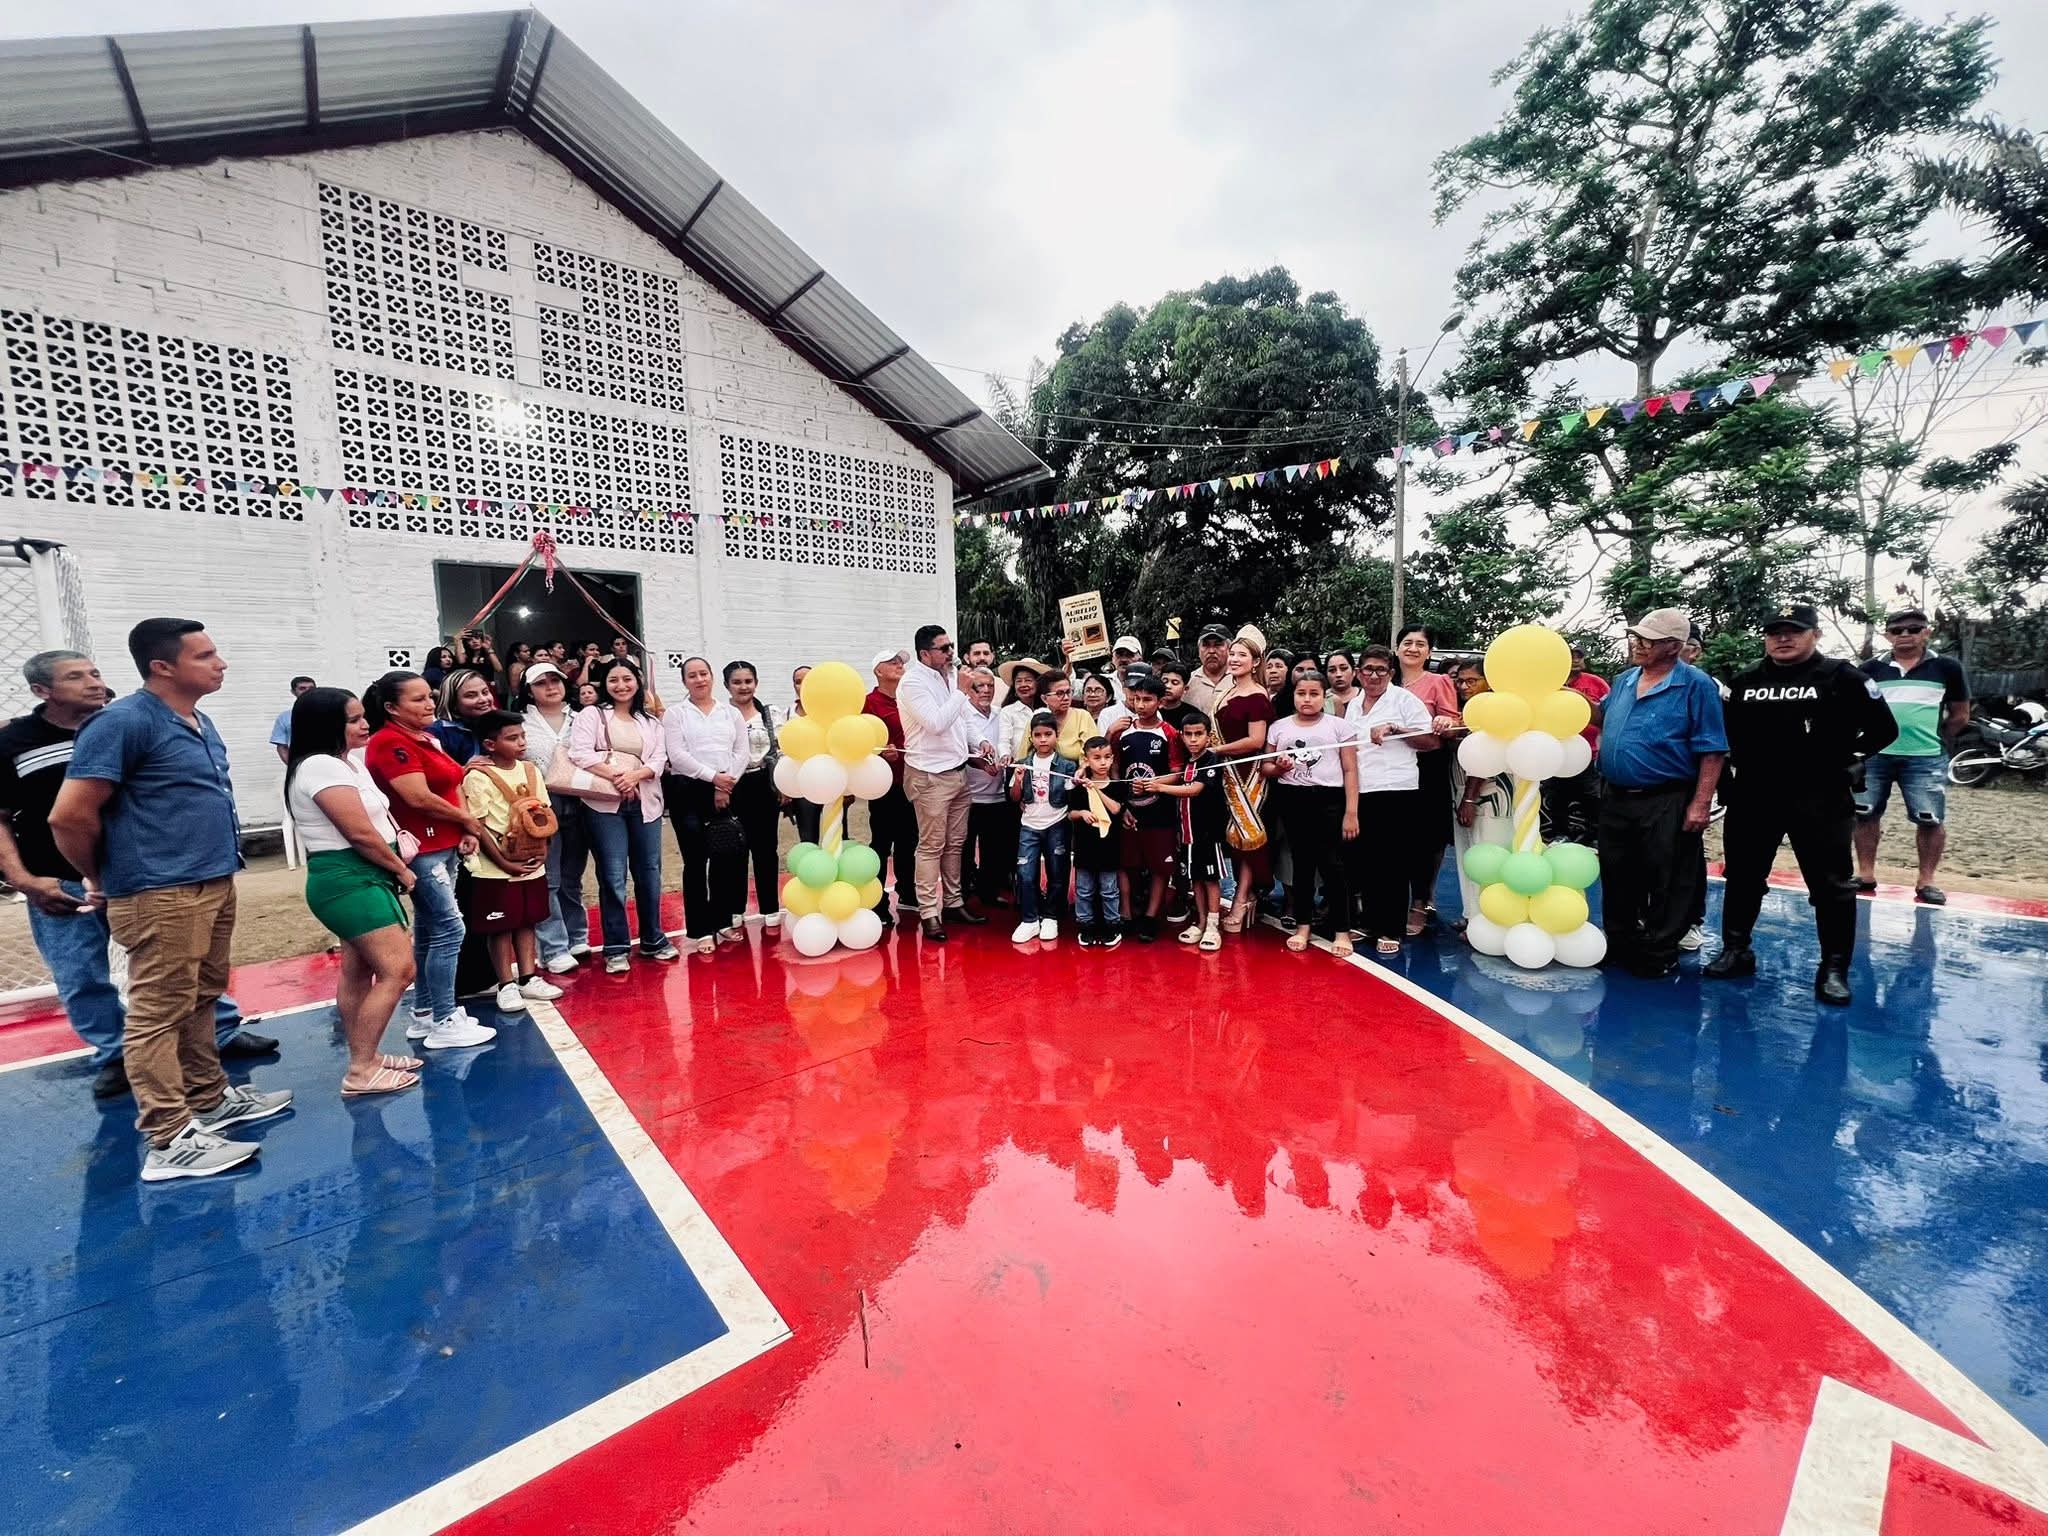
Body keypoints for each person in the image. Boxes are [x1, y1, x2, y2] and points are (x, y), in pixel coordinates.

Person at [50, 619, 293, 1181]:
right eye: (205, 655)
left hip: (212, 880)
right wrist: (99, 876)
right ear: (162, 667)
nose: (220, 663)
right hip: (158, 890)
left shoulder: (199, 721)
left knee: (202, 994)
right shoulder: (124, 722)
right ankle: (168, 1138)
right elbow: (69, 816)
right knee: (158, 1013)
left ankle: (209, 1098)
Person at [2, 650, 276, 1102]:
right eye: (76, 677)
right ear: (41, 690)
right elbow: (30, 817)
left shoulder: (127, 724)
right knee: (81, 974)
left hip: (144, 873)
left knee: (187, 965)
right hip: (63, 878)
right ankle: (117, 1057)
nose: (93, 682)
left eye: (94, 673)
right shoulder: (14, 742)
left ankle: (219, 1036)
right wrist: (24, 879)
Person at [1706, 605, 1899, 1004]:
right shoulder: (1744, 681)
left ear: (1815, 634)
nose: (1783, 638)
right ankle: (1736, 950)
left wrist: (1849, 758)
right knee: (1742, 876)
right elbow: (1723, 735)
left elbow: (1884, 729)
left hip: (1820, 795)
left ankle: (1833, 968)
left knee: (1831, 885)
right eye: (1774, 631)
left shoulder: (1842, 676)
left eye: (1794, 630)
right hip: (1755, 794)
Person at [282, 686, 421, 1096]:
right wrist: (399, 868)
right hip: (349, 880)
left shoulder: (346, 763)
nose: (364, 724)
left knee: (359, 970)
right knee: (399, 969)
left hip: (359, 877)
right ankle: (361, 1069)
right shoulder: (320, 766)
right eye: (354, 719)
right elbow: (358, 832)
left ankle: (367, 1057)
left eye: (363, 716)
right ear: (327, 725)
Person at [361, 670, 497, 1049]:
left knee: (430, 928)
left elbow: (453, 782)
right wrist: (468, 821)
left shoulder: (425, 737)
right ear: (392, 707)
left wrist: (464, 826)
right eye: (418, 699)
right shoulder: (390, 742)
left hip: (444, 843)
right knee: (450, 929)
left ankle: (425, 1011)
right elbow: (417, 796)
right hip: (423, 848)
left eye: (430, 696)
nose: (429, 704)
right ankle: (444, 1017)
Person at [1595, 608, 1727, 979]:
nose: (1638, 644)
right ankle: (1620, 941)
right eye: (1636, 637)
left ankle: (1659, 949)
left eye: (1648, 640)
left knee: (1669, 876)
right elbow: (1602, 717)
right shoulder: (1624, 679)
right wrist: (1564, 700)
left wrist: (1700, 803)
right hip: (1616, 794)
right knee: (1617, 871)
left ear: (1673, 646)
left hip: (1667, 796)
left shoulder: (1696, 685)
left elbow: (1713, 748)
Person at [1854, 606, 1970, 904]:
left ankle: (1926, 880)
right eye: (1897, 630)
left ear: (1926, 632)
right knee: (1865, 814)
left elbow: (1960, 714)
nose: (1905, 634)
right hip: (1875, 755)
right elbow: (1855, 709)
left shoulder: (1947, 667)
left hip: (1926, 757)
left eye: (1913, 629)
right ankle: (1865, 874)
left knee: (1930, 818)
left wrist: (1937, 739)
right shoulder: (1869, 668)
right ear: (1887, 635)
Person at [575, 657, 678, 969]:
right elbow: (580, 753)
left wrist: (636, 776)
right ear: (604, 684)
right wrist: (619, 777)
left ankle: (653, 939)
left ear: (637, 682)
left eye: (627, 679)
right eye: (613, 680)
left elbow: (659, 758)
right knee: (612, 875)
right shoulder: (592, 715)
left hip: (645, 804)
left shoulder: (651, 722)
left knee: (649, 872)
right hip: (604, 806)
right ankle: (616, 947)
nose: (621, 685)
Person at [461, 710, 565, 1013]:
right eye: (512, 738)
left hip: (531, 860)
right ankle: (505, 983)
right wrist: (503, 863)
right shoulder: (478, 777)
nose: (521, 742)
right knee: (500, 925)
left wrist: (544, 850)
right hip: (495, 868)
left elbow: (543, 813)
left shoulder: (530, 770)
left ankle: (528, 977)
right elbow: (478, 825)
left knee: (527, 918)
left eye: (522, 736)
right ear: (490, 744)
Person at [899, 623, 994, 941]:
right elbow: (936, 723)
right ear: (925, 654)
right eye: (944, 648)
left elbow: (964, 718)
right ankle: (929, 912)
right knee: (931, 846)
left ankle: (953, 903)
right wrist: (962, 691)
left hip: (957, 772)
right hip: (929, 775)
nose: (951, 652)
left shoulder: (951, 677)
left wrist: (980, 741)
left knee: (956, 843)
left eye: (951, 645)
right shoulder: (912, 682)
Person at [1263, 671, 1360, 956]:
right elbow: (1265, 767)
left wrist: (1351, 811)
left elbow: (1350, 769)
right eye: (1301, 693)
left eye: (1314, 693)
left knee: (1333, 865)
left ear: (1324, 696)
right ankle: (1303, 925)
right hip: (1293, 800)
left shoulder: (1340, 727)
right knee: (1301, 865)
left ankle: (1342, 930)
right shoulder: (1279, 727)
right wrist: (1279, 768)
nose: (1307, 699)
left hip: (1329, 800)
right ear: (1293, 695)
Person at [1352, 644, 1438, 953]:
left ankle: (1391, 929)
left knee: (1394, 862)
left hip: (1396, 790)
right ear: (1359, 673)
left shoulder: (1404, 700)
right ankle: (1369, 922)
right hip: (1362, 790)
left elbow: (1431, 742)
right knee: (1367, 860)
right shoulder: (1354, 704)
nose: (1374, 676)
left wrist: (1396, 729)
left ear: (1391, 673)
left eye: (1381, 670)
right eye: (1368, 669)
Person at [658, 657, 745, 953]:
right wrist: (713, 778)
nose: (699, 680)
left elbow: (741, 751)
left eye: (703, 674)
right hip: (687, 791)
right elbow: (677, 755)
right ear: (684, 681)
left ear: (711, 677)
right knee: (695, 862)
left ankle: (722, 920)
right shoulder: (676, 714)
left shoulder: (730, 713)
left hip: (725, 790)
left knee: (724, 857)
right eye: (692, 675)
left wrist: (724, 784)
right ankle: (700, 929)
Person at [518, 660, 592, 974]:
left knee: (572, 876)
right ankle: (553, 947)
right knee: (548, 878)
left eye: (555, 680)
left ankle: (577, 936)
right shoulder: (521, 721)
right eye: (541, 683)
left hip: (582, 801)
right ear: (529, 690)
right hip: (541, 805)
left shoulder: (582, 718)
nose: (551, 687)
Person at [1394, 624, 1463, 936]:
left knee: (1425, 838)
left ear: (1429, 652)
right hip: (1389, 767)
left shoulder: (1439, 681)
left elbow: (1453, 724)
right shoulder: (1386, 681)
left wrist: (1444, 720)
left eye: (1420, 644)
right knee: (1395, 837)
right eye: (1407, 643)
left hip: (1427, 766)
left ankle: (1420, 903)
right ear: (1397, 648)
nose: (1412, 649)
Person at [1112, 669, 1185, 942]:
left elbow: (1177, 772)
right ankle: (1126, 913)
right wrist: (1122, 804)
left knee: (1159, 866)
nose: (1141, 705)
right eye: (1137, 699)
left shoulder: (1170, 733)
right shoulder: (1122, 731)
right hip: (1129, 810)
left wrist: (1155, 783)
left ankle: (1152, 917)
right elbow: (1114, 769)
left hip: (1160, 812)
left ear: (1160, 702)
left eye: (1147, 700)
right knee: (1126, 863)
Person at [1214, 634, 1276, 932]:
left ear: (1255, 662)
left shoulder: (1257, 695)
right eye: (1233, 654)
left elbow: (1255, 740)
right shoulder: (1228, 689)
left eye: (1242, 655)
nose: (1235, 659)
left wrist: (1217, 751)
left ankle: (1243, 896)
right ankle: (1247, 892)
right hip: (1226, 773)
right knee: (1235, 839)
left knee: (1247, 835)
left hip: (1247, 773)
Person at [1450, 659, 1513, 930]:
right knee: (1468, 856)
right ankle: (1472, 915)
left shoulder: (1496, 713)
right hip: (1463, 792)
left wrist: (1470, 799)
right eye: (1460, 681)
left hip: (1490, 796)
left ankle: (1491, 920)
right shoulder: (1466, 712)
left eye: (1472, 681)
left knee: (1489, 857)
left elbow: (1484, 758)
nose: (1464, 686)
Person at [724, 660, 783, 929]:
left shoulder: (769, 715)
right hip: (731, 786)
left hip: (763, 785)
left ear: (756, 683)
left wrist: (783, 785)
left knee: (766, 848)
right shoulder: (721, 716)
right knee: (734, 848)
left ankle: (770, 906)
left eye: (748, 681)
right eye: (737, 682)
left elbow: (781, 750)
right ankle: (735, 908)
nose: (743, 687)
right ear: (727, 685)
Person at [1007, 709, 1075, 943]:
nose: (1043, 739)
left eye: (1048, 734)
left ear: (1057, 735)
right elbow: (1015, 797)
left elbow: (1071, 797)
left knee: (1057, 872)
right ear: (1031, 738)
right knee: (1026, 873)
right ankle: (1029, 919)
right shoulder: (1023, 764)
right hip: (1029, 825)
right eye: (1038, 735)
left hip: (1057, 823)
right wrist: (1018, 780)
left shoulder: (1066, 766)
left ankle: (1051, 917)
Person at [863, 649, 919, 925]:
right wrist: (879, 753)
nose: (899, 665)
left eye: (901, 662)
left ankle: (907, 892)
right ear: (878, 671)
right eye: (892, 662)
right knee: (882, 844)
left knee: (909, 841)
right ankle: (877, 902)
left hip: (913, 780)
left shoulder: (909, 699)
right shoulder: (868, 703)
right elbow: (859, 743)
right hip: (884, 785)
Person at [1169, 713, 1228, 950]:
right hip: (1188, 833)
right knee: (1196, 879)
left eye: (1198, 734)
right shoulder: (1187, 762)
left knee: (1211, 879)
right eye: (1188, 734)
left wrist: (1159, 787)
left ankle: (1213, 925)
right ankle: (1201, 921)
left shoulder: (1211, 760)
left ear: (1208, 736)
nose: (1193, 739)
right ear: (1181, 736)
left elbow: (1194, 790)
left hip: (1208, 834)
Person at [961, 666, 1012, 912]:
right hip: (969, 797)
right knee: (964, 850)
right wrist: (979, 764)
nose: (985, 690)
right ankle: (962, 895)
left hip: (998, 795)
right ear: (968, 690)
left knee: (993, 851)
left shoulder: (1002, 714)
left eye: (990, 686)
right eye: (979, 686)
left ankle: (989, 893)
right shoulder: (961, 714)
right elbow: (959, 751)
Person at [1544, 645, 1608, 844]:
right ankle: (1560, 834)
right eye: (1571, 656)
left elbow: (1608, 713)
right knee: (1557, 796)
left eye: (1579, 656)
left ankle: (1595, 837)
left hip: (1590, 752)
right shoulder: (1547, 684)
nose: (1576, 659)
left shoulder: (1596, 682)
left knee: (1593, 796)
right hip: (1556, 752)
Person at [1069, 737, 1125, 949]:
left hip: (1109, 848)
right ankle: (1086, 924)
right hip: (1085, 848)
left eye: (1107, 757)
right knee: (1084, 890)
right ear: (1087, 760)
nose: (1103, 762)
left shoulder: (1117, 786)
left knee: (1109, 890)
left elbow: (1116, 809)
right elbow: (1070, 813)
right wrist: (1082, 813)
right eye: (1097, 758)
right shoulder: (1079, 788)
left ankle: (1112, 924)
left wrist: (1096, 790)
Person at [783, 665, 822, 845]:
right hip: (801, 784)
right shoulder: (786, 715)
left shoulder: (828, 711)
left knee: (837, 834)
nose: (803, 685)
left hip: (829, 778)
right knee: (808, 835)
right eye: (798, 682)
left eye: (807, 680)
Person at [431, 667, 497, 762]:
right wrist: (465, 768)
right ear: (453, 703)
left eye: (485, 692)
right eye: (471, 695)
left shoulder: (500, 725)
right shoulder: (438, 733)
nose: (483, 699)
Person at [996, 657, 1051, 759]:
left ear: (1038, 683)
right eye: (1019, 681)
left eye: (1028, 680)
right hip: (1018, 764)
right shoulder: (1007, 711)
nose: (1023, 685)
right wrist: (1005, 755)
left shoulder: (1048, 709)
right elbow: (1004, 741)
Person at [1182, 624, 1235, 727]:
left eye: (1218, 645)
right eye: (1205, 645)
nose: (1211, 651)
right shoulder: (1188, 682)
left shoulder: (1240, 681)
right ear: (1199, 650)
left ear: (1230, 649)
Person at [1041, 672, 1097, 762]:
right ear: (1044, 698)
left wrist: (1082, 767)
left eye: (1068, 692)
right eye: (1059, 693)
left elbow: (1094, 752)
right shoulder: (1038, 720)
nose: (1066, 698)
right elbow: (1023, 758)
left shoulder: (1082, 716)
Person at [270, 675, 315, 763]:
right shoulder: (284, 717)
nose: (308, 691)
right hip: (300, 764)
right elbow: (282, 747)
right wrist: (293, 766)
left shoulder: (330, 713)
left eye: (311, 688)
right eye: (302, 688)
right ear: (293, 692)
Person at [1323, 649, 1359, 719]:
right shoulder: (1320, 698)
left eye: (1343, 668)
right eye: (1332, 670)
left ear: (1354, 671)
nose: (1338, 674)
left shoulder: (1365, 696)